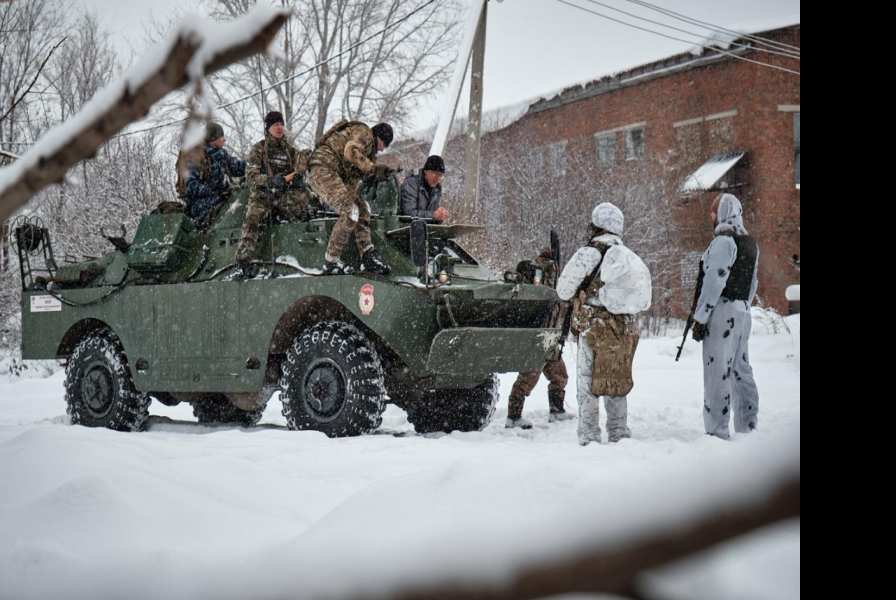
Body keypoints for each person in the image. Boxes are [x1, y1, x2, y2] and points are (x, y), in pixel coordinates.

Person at [557, 203, 652, 446]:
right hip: (621, 327)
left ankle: (589, 436)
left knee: (587, 381)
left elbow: (563, 290)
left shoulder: (589, 253)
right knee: (616, 377)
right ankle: (619, 432)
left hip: (593, 326)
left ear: (596, 225)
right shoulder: (628, 256)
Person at [691, 193, 760, 440]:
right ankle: (748, 426)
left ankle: (717, 431)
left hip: (721, 313)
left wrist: (700, 318)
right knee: (740, 369)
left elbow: (714, 281)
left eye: (713, 211)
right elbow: (753, 284)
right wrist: (742, 307)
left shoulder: (723, 241)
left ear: (723, 212)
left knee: (717, 371)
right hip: (743, 311)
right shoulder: (750, 242)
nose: (711, 216)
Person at [308, 120, 394, 276]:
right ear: (379, 137)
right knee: (350, 213)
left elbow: (352, 185)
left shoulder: (366, 152)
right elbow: (350, 152)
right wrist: (372, 168)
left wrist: (370, 175)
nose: (381, 150)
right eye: (383, 145)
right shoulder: (365, 133)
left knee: (362, 210)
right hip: (322, 168)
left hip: (334, 172)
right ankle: (331, 262)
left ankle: (367, 256)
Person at [235, 111, 313, 266]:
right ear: (268, 128)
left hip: (284, 197)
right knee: (252, 218)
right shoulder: (258, 149)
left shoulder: (290, 151)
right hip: (263, 197)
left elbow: (298, 171)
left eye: (281, 124)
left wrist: (297, 178)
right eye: (276, 124)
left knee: (306, 196)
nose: (280, 128)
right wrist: (270, 181)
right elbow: (251, 177)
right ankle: (244, 256)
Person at [507, 248, 571, 429]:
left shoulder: (553, 280)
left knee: (559, 375)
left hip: (549, 337)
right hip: (537, 337)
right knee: (528, 378)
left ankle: (557, 411)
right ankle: (513, 417)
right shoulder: (537, 272)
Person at [180, 122, 246, 228]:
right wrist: (211, 191)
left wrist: (255, 164)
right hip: (198, 203)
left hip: (217, 197)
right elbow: (190, 185)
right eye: (221, 136)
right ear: (213, 139)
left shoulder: (221, 154)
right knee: (219, 213)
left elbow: (237, 168)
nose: (224, 139)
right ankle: (204, 235)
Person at [400, 155, 449, 223]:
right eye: (435, 173)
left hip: (424, 229)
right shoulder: (411, 183)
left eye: (440, 175)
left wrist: (440, 217)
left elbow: (432, 217)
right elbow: (409, 214)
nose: (438, 178)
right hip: (406, 228)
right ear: (426, 171)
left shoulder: (437, 189)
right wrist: (433, 215)